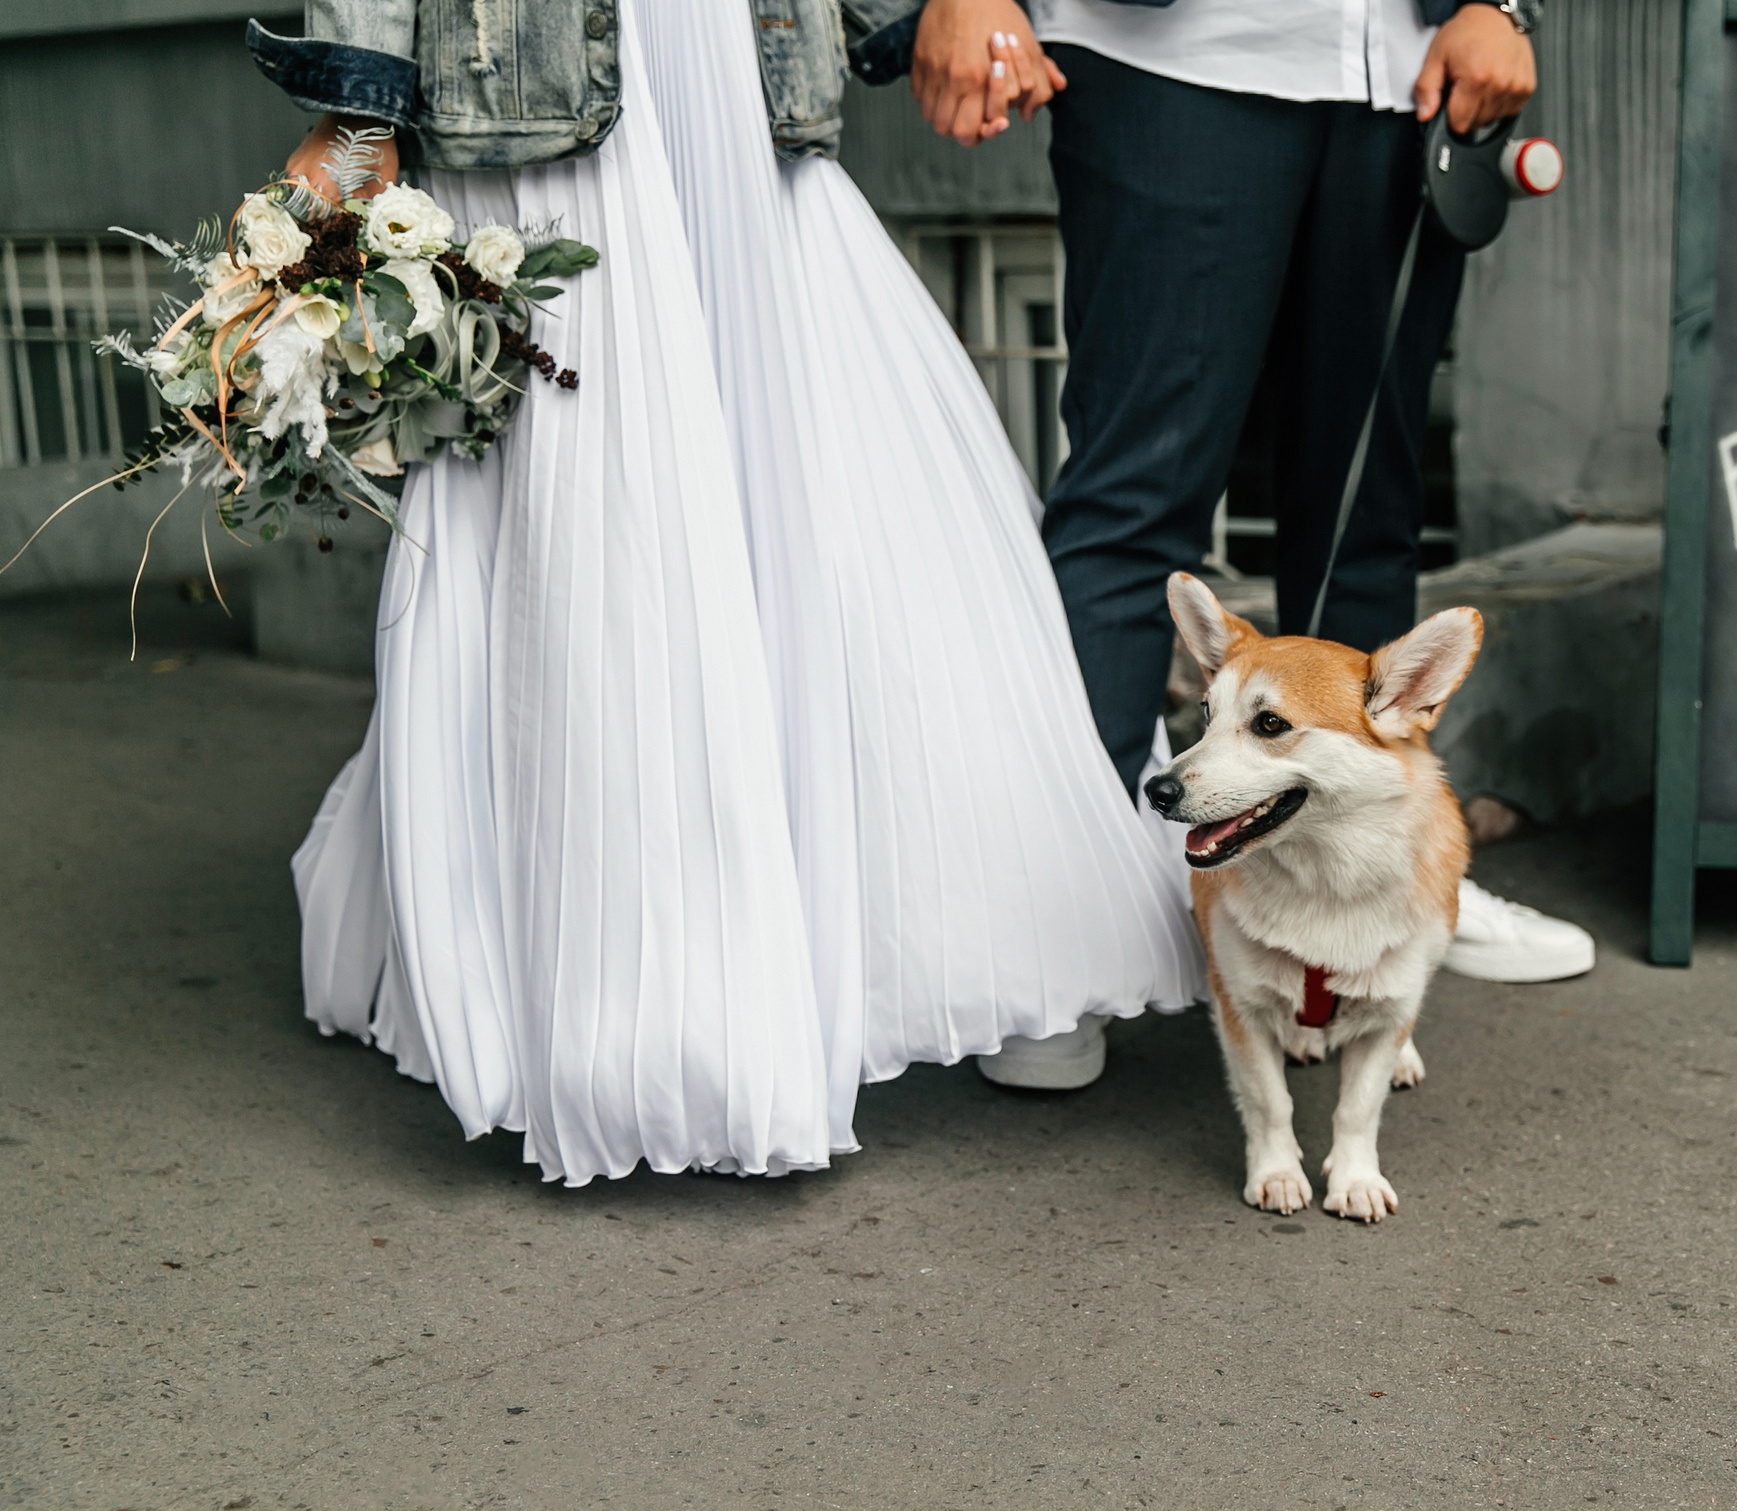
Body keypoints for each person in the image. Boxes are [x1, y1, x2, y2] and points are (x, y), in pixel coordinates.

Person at [256, 0, 1201, 1184]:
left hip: (741, 66)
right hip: (536, 74)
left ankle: (928, 948)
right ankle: (658, 1019)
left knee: (832, 483)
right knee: (604, 496)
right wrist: (359, 107)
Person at [906, 0, 1598, 983]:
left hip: (1401, 72)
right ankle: (1058, 947)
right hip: (1170, 58)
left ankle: (1385, 899)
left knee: (1369, 505)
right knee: (1136, 500)